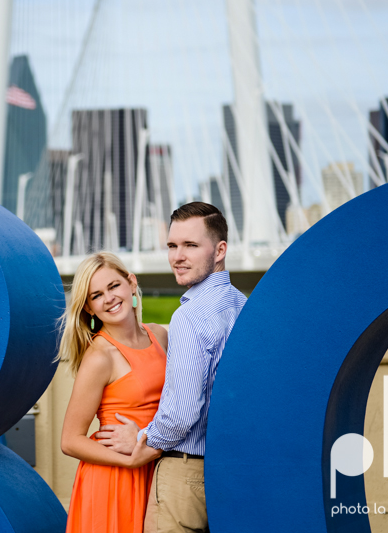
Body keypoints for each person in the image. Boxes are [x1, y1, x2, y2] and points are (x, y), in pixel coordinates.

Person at [95, 202, 246, 533]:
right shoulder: (244, 306)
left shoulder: (190, 316)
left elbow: (181, 413)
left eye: (191, 245)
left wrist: (142, 442)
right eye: (172, 245)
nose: (178, 256)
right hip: (231, 469)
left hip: (185, 474)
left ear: (220, 250)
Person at [59, 252, 169, 533]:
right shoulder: (100, 357)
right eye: (96, 295)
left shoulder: (161, 336)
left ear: (131, 283)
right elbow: (70, 441)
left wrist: (145, 444)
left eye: (113, 286)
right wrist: (131, 459)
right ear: (89, 308)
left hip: (156, 469)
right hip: (114, 478)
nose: (108, 298)